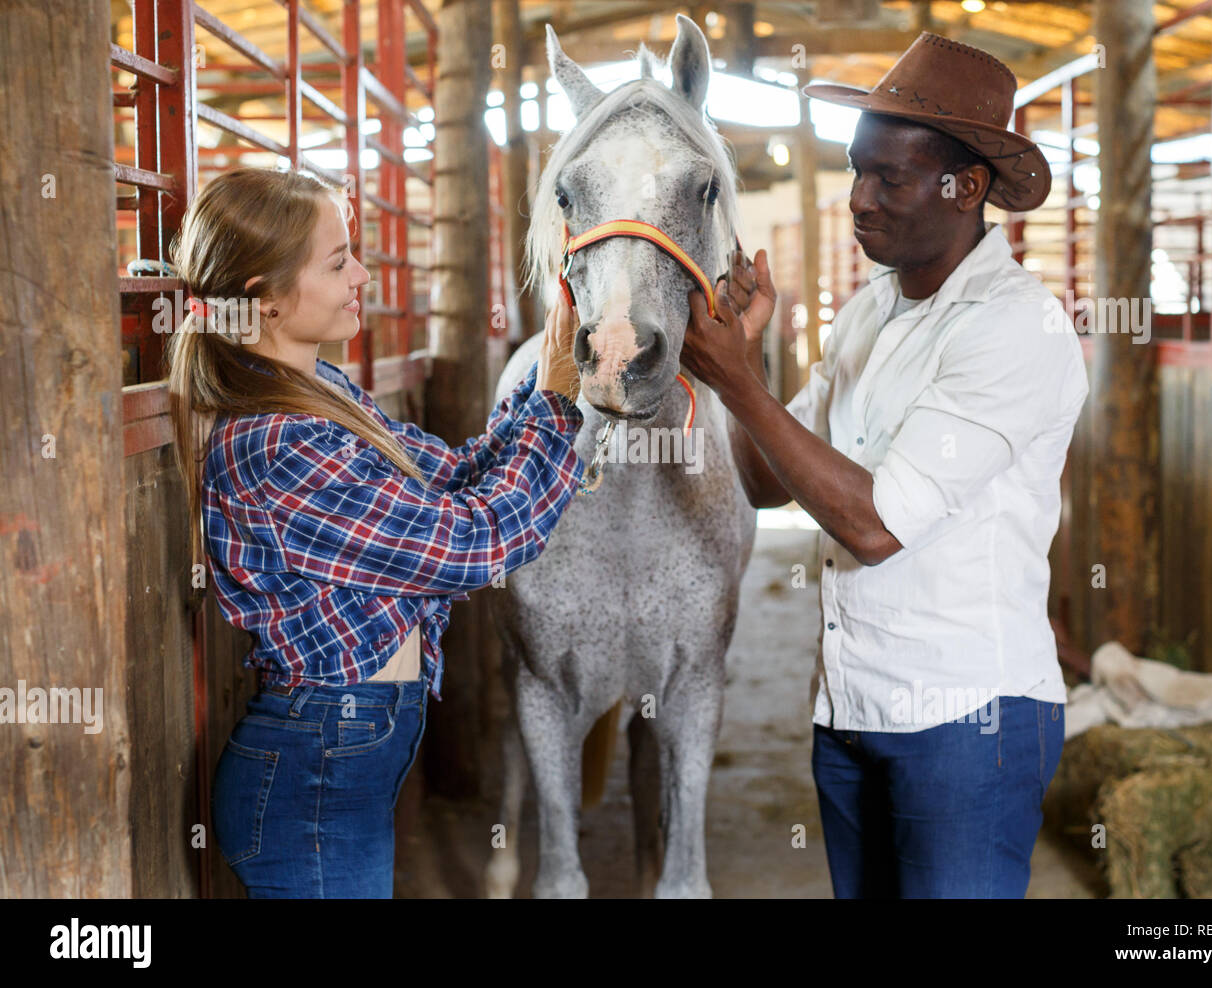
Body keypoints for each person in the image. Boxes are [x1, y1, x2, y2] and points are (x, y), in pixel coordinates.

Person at [682, 33, 1089, 898]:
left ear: (965, 187)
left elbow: (874, 525)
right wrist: (740, 372)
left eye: (887, 179)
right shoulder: (870, 311)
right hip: (854, 708)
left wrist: (740, 382)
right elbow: (762, 483)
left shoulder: (1013, 328)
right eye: (856, 170)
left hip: (965, 721)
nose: (859, 200)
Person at [165, 166, 585, 898]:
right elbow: (475, 545)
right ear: (263, 299)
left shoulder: (321, 391)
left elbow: (453, 472)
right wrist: (554, 408)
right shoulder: (278, 446)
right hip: (315, 778)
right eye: (337, 262)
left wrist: (544, 383)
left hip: (343, 756)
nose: (363, 274)